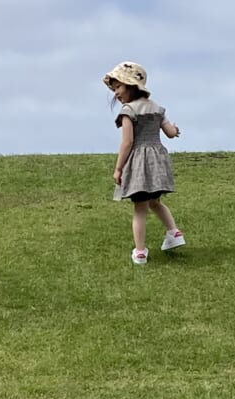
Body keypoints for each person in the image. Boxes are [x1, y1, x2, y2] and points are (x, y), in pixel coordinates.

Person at [103, 61, 185, 265]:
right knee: (155, 201)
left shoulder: (129, 110)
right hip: (158, 162)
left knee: (140, 208)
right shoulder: (157, 108)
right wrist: (175, 130)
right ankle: (173, 232)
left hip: (140, 163)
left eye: (118, 87)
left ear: (131, 85)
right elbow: (169, 132)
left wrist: (118, 168)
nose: (116, 93)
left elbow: (128, 142)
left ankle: (140, 252)